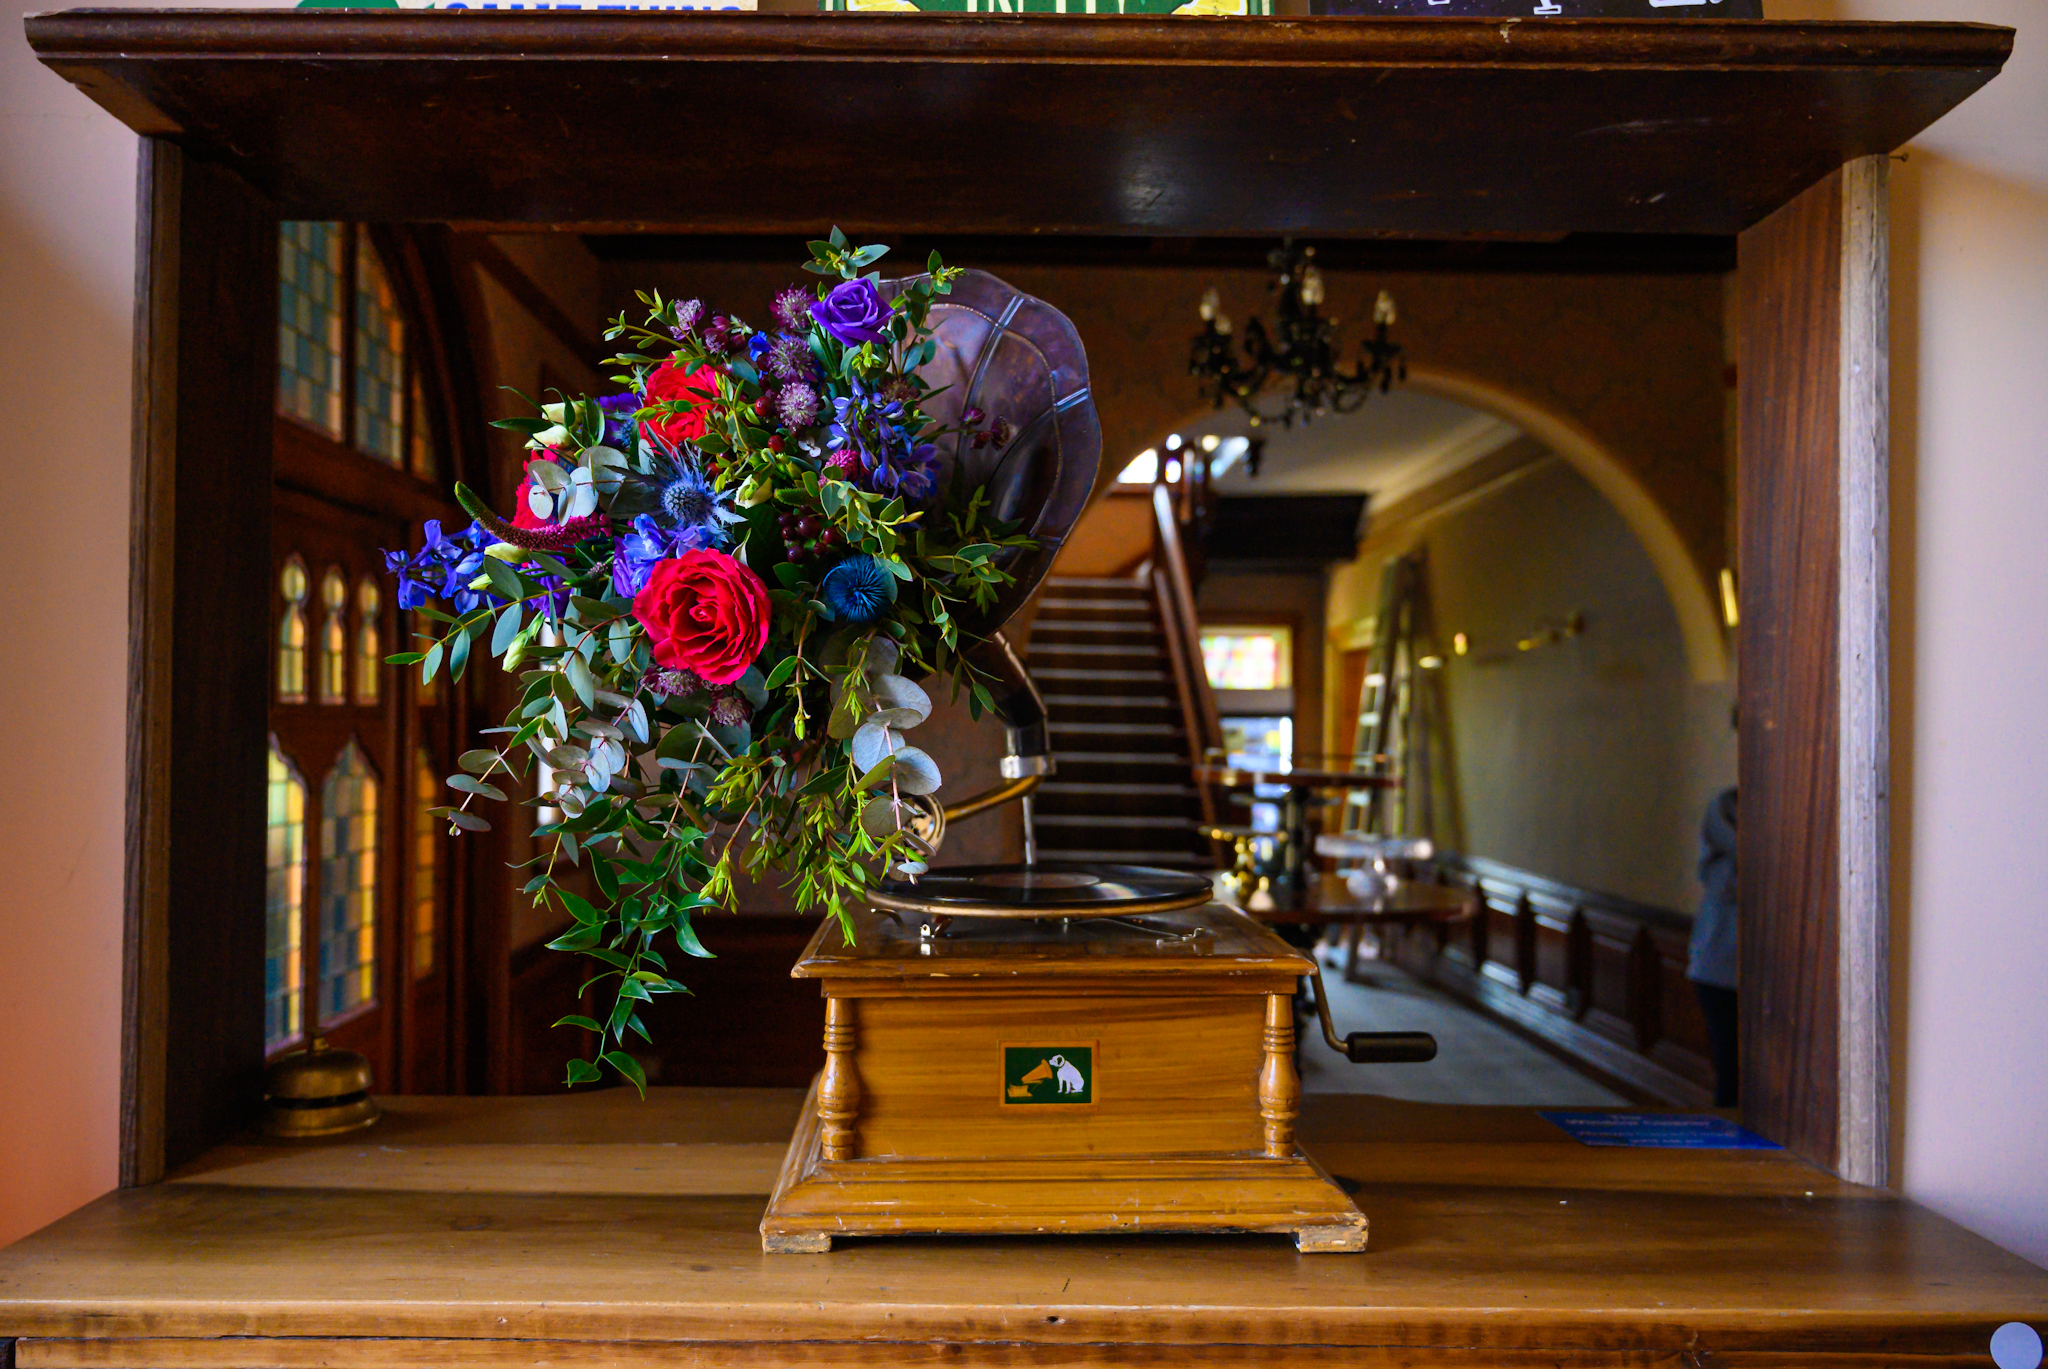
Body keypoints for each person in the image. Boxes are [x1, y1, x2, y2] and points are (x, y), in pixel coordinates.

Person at [1688, 786, 1739, 1107]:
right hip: (1719, 966)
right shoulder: (1727, 806)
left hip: (1776, 972)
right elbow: (1718, 880)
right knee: (1731, 1069)